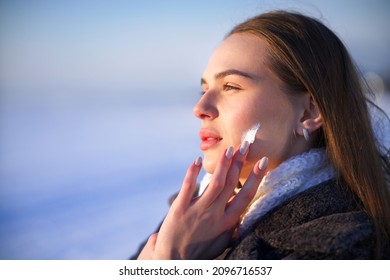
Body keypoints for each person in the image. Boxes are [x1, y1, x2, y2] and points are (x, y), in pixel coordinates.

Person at [134, 10, 390, 260]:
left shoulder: (343, 249)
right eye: (204, 90)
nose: (200, 109)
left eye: (230, 86)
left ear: (308, 112)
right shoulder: (188, 219)